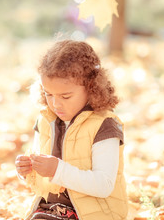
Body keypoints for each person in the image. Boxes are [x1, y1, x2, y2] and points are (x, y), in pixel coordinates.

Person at [15, 40, 128, 220]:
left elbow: (104, 185)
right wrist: (27, 171)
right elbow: (42, 179)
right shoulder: (46, 120)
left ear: (92, 87)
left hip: (95, 213)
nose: (55, 103)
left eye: (65, 96)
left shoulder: (104, 126)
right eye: (48, 94)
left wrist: (57, 170)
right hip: (49, 211)